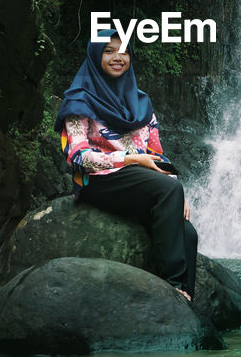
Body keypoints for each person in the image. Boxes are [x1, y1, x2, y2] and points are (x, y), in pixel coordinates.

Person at [54, 30, 198, 301]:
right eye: (108, 51)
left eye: (124, 51)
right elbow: (77, 156)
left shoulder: (141, 103)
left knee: (187, 232)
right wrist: (132, 159)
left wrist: (176, 188)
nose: (117, 57)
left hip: (140, 180)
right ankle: (172, 287)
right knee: (167, 192)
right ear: (96, 55)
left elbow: (156, 153)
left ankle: (184, 301)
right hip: (99, 180)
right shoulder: (79, 100)